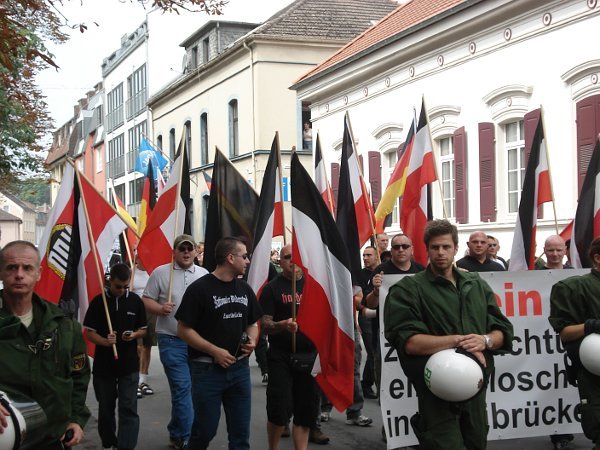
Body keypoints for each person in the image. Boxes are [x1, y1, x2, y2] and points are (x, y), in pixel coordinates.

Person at [384, 220, 514, 450]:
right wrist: (460, 341)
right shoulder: (408, 290)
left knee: (476, 443)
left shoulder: (476, 285)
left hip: (475, 390)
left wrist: (484, 340)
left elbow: (503, 332)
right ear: (427, 250)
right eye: (435, 247)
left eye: (446, 247)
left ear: (455, 248)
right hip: (436, 393)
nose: (441, 253)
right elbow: (410, 342)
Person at [0, 240, 90, 449]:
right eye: (12, 267)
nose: (19, 274)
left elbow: (79, 377)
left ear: (38, 273)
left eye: (27, 268)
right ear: (1, 272)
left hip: (53, 438)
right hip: (7, 436)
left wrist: (76, 418)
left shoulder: (63, 326)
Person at [176, 237, 263, 450]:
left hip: (240, 369)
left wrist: (252, 339)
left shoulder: (244, 288)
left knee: (241, 434)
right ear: (230, 258)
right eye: (244, 256)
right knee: (205, 430)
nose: (248, 261)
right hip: (207, 370)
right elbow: (183, 330)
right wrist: (214, 351)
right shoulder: (199, 289)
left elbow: (253, 323)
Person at [142, 234, 208, 450]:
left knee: (192, 390)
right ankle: (187, 437)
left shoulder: (204, 274)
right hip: (171, 339)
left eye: (190, 248)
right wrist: (160, 309)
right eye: (182, 249)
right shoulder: (161, 273)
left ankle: (177, 431)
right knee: (182, 387)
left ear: (196, 252)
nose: (186, 252)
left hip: (197, 341)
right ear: (175, 252)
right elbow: (146, 299)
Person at [260, 244, 320, 450]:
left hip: (309, 355)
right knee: (279, 410)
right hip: (280, 357)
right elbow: (265, 326)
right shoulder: (271, 288)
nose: (293, 262)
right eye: (287, 257)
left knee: (305, 412)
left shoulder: (315, 286)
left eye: (297, 257)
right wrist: (282, 324)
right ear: (280, 260)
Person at [84, 263, 147, 450]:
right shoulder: (98, 301)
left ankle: (126, 446)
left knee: (128, 408)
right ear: (110, 281)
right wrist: (105, 341)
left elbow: (143, 329)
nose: (121, 290)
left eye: (125, 287)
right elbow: (89, 333)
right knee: (105, 408)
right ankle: (109, 442)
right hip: (104, 366)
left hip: (129, 364)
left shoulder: (136, 301)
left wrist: (134, 335)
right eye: (118, 286)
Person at [548, 238, 600, 450]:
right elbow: (565, 333)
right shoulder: (575, 288)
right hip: (594, 375)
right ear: (597, 258)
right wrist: (591, 326)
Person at [131, 256, 155, 399]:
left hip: (150, 312)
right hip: (135, 312)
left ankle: (143, 380)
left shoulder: (152, 273)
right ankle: (135, 380)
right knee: (138, 347)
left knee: (147, 346)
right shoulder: (131, 272)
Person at [359, 246, 378, 399]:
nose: (365, 258)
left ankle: (366, 382)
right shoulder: (360, 274)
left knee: (377, 351)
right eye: (364, 255)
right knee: (372, 352)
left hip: (381, 317)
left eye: (369, 255)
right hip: (367, 316)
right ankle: (373, 385)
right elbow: (358, 299)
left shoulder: (382, 271)